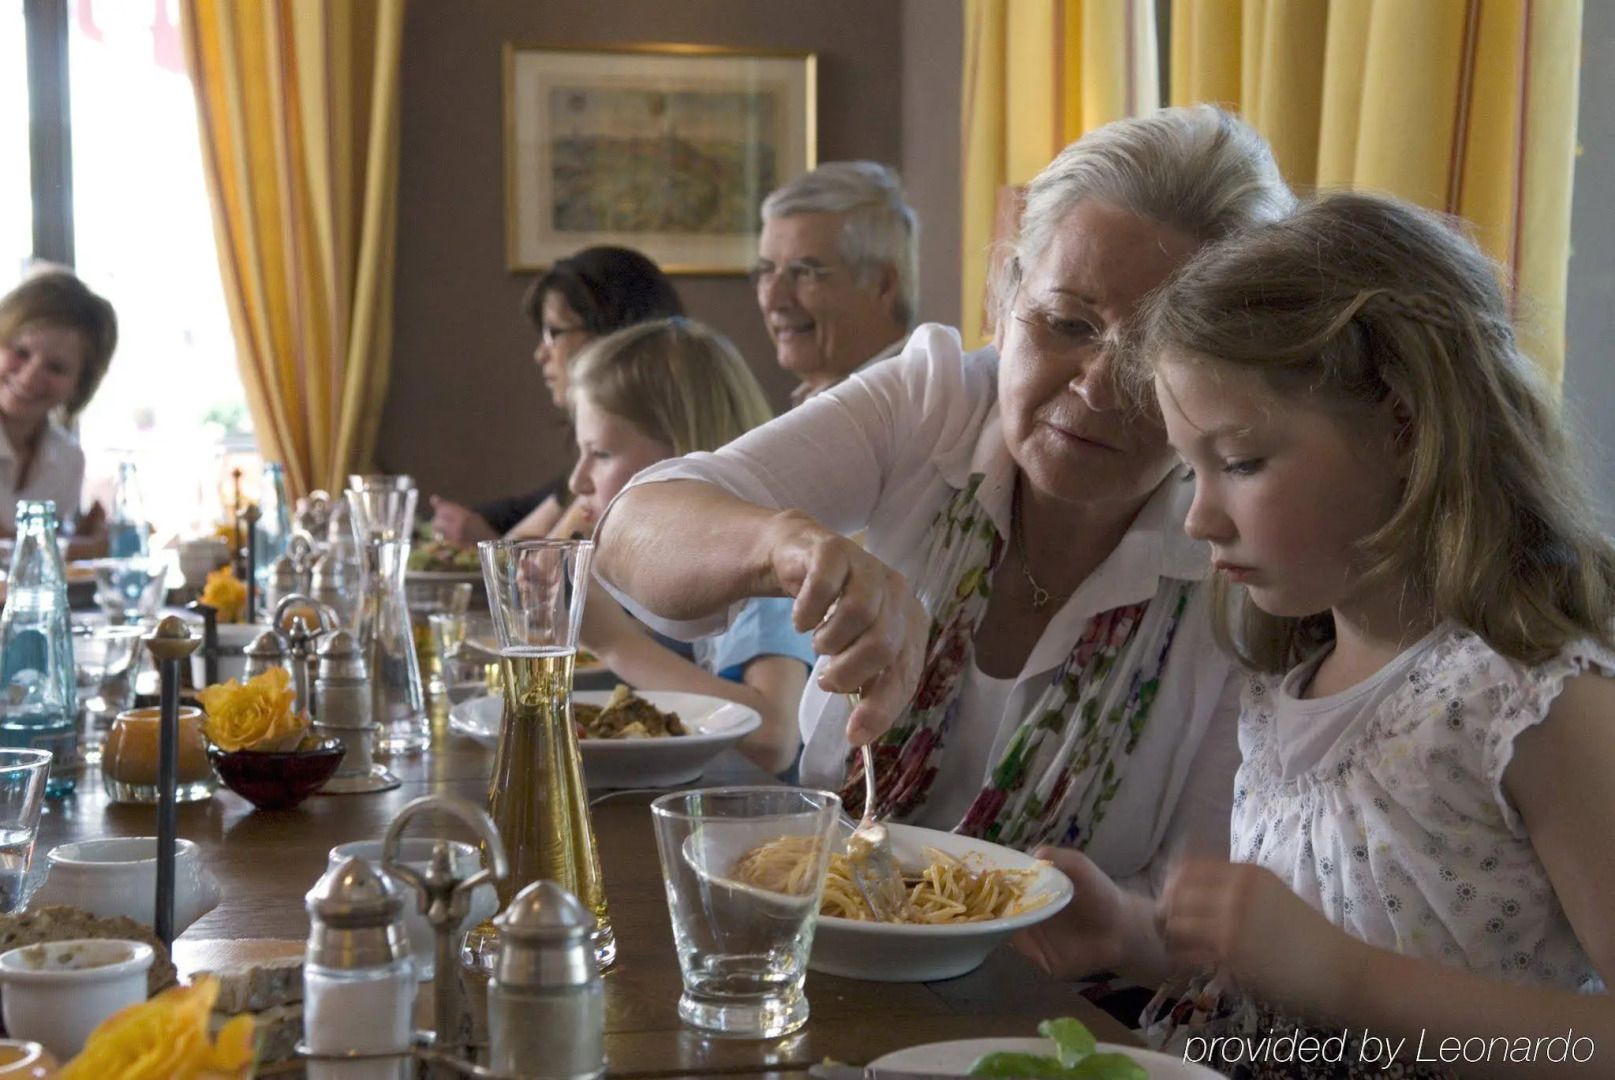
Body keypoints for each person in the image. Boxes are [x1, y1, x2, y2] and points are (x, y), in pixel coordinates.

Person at [594, 106, 1294, 896]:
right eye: (1066, 323)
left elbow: (1199, 915)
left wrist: (1129, 934)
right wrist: (788, 546)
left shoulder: (1244, 545)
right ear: (1004, 299)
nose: (1095, 386)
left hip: (1066, 1009)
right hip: (828, 950)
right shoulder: (937, 402)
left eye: (1155, 352)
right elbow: (633, 527)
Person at [1019, 193, 1615, 1078]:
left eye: (1242, 462)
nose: (1199, 518)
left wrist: (1349, 980)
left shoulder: (1531, 704)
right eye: (1190, 470)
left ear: (1404, 429)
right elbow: (1279, 994)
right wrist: (1136, 935)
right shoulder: (1290, 682)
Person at [568, 318, 815, 775]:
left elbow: (773, 736)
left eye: (600, 454)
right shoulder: (689, 563)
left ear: (676, 461)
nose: (577, 479)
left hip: (772, 823)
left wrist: (615, 644)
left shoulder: (761, 562)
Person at [429, 246, 684, 543]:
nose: (540, 354)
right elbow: (524, 512)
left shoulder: (632, 471)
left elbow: (536, 561)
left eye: (555, 332)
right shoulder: (589, 470)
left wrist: (494, 547)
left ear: (612, 334)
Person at [751, 162, 918, 405]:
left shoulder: (909, 410)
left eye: (803, 272)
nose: (773, 299)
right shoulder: (830, 404)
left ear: (882, 285)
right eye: (767, 271)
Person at [0, 268, 117, 554]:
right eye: (21, 352)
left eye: (56, 368)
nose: (28, 378)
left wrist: (78, 541)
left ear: (79, 385)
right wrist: (81, 548)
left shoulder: (68, 460)